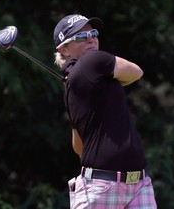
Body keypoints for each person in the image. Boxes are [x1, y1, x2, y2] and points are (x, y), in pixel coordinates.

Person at [53, 14, 157, 208]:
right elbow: (136, 72)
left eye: (93, 33)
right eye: (81, 37)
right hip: (103, 187)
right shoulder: (95, 60)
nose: (91, 38)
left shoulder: (72, 87)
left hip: (137, 185)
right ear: (64, 50)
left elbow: (78, 145)